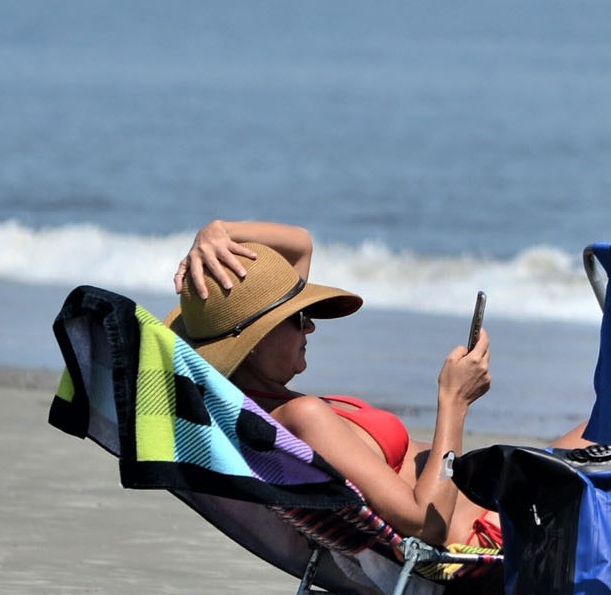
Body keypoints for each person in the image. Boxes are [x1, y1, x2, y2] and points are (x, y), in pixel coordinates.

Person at [169, 219, 582, 549]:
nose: (311, 326)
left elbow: (301, 244)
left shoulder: (259, 405)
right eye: (296, 318)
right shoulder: (302, 417)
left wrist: (216, 232)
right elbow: (426, 524)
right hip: (501, 529)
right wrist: (454, 401)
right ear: (255, 341)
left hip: (508, 494)